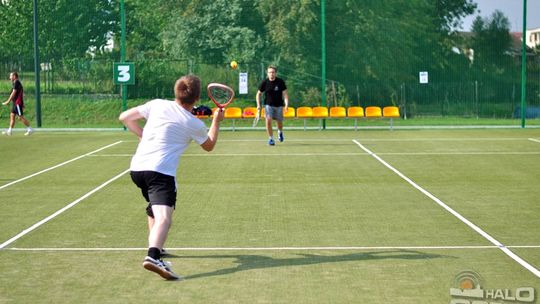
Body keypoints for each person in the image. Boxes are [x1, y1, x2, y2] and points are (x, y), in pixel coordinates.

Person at [119, 75, 224, 280]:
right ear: (196, 98)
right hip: (160, 172)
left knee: (154, 209)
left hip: (137, 169)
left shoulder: (157, 104)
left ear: (176, 91)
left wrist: (142, 135)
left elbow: (125, 117)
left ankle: (158, 246)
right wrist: (216, 122)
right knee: (165, 218)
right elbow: (209, 145)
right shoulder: (192, 122)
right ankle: (153, 256)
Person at [256, 65, 289, 146]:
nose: (271, 74)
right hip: (268, 105)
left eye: (273, 72)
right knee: (268, 120)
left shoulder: (280, 82)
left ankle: (280, 132)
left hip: (279, 105)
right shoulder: (264, 82)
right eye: (270, 72)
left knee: (279, 123)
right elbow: (258, 94)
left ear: (275, 73)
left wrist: (286, 104)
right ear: (267, 73)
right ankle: (271, 139)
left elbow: (285, 94)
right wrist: (258, 105)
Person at [2, 72, 33, 136]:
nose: (9, 77)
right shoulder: (15, 83)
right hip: (15, 103)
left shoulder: (16, 82)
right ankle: (9, 131)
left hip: (17, 103)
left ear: (14, 76)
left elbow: (13, 93)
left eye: (11, 76)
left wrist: (8, 101)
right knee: (12, 116)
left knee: (20, 117)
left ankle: (30, 129)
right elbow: (21, 93)